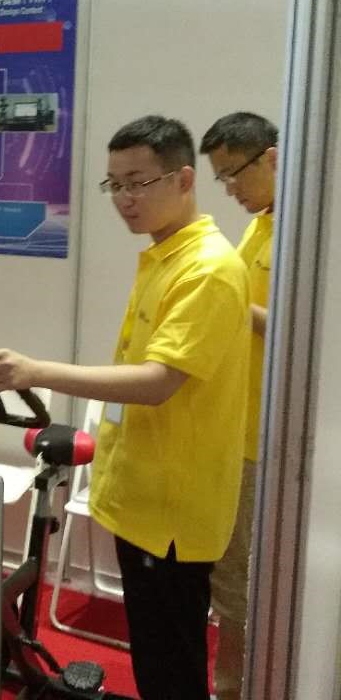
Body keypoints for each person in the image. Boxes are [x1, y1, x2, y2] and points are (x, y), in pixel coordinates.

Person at [0, 115, 249, 700]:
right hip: (143, 495)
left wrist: (36, 371)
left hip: (172, 510)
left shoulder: (207, 268)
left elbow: (157, 382)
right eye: (115, 185)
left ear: (183, 180)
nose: (125, 198)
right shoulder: (166, 255)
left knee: (170, 668)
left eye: (138, 183)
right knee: (155, 656)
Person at [200, 112, 278, 700]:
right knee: (231, 576)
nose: (229, 189)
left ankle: (233, 688)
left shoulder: (306, 234)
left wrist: (232, 306)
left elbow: (304, 333)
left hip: (265, 439)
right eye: (220, 178)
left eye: (234, 173)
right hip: (234, 428)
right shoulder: (260, 224)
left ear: (271, 157)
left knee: (243, 582)